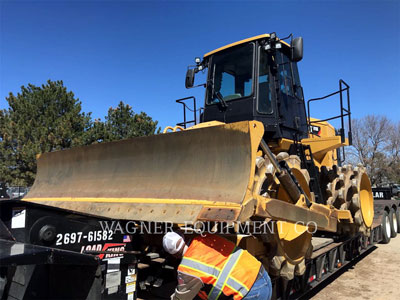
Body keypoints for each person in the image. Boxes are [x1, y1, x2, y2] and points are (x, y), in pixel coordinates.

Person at [163, 231, 272, 300]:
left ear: (174, 255)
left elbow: (182, 297)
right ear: (184, 237)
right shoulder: (206, 238)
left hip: (249, 293)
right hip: (263, 278)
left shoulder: (187, 268)